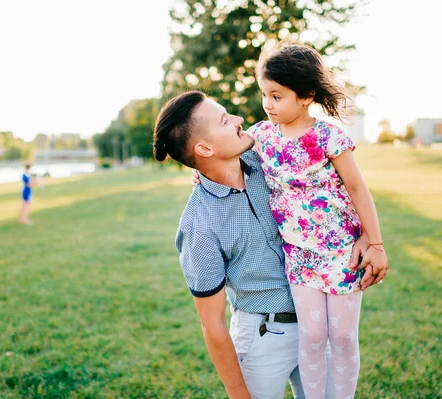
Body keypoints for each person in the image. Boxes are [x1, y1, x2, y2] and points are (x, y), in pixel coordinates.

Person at [153, 91, 388, 399]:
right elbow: (213, 326)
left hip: (318, 320)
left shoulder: (269, 156)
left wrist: (365, 234)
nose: (239, 120)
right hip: (263, 339)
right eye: (226, 120)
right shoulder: (198, 226)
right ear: (204, 148)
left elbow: (340, 185)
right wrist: (240, 395)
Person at [236, 42, 389, 399]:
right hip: (299, 256)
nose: (268, 104)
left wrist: (377, 243)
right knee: (314, 335)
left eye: (277, 95)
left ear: (306, 95)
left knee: (343, 336)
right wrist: (200, 176)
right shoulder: (260, 135)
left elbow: (357, 189)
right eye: (264, 95)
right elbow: (226, 156)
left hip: (343, 252)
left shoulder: (329, 136)